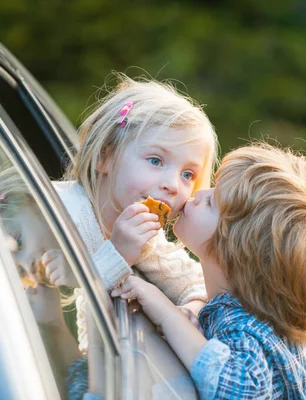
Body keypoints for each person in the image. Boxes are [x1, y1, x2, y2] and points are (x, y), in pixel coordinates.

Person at [112, 142, 306, 399]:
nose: (197, 194)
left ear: (234, 251)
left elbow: (238, 390)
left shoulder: (241, 326)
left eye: (210, 202)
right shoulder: (269, 318)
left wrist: (168, 316)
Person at [42, 73, 219, 351]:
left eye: (188, 174)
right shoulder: (54, 209)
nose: (172, 185)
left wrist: (190, 311)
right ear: (105, 156)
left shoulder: (148, 241)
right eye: (155, 160)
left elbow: (199, 284)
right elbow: (60, 293)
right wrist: (118, 253)